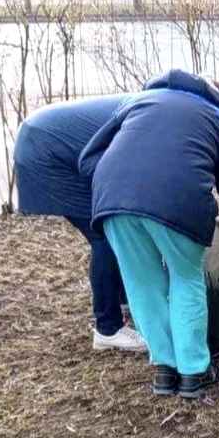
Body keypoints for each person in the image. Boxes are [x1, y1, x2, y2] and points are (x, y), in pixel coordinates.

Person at [78, 69, 219, 400]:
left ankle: (164, 369)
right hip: (177, 200)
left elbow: (88, 158)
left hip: (113, 200)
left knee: (142, 283)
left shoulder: (138, 102)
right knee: (185, 277)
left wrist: (120, 186)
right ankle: (194, 372)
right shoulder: (218, 119)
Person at [14, 95, 147, 353]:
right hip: (45, 151)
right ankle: (108, 329)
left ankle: (120, 299)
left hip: (44, 139)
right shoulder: (150, 116)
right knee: (106, 233)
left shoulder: (153, 104)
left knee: (112, 226)